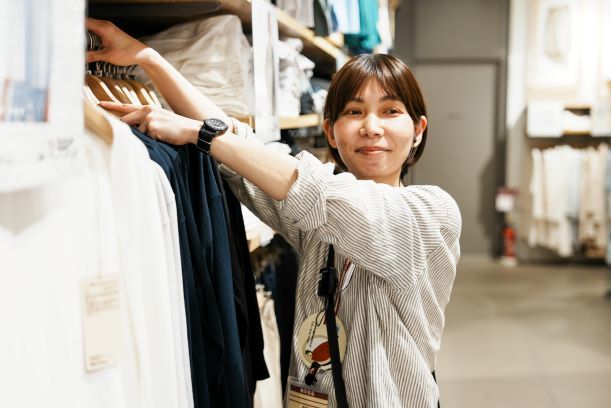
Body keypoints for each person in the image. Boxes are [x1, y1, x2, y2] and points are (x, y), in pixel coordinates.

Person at [86, 17, 461, 408]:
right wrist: (148, 59)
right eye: (354, 112)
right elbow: (242, 154)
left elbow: (317, 191)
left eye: (390, 111)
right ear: (330, 133)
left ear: (418, 129)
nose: (371, 127)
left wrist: (203, 135)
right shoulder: (317, 229)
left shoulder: (431, 214)